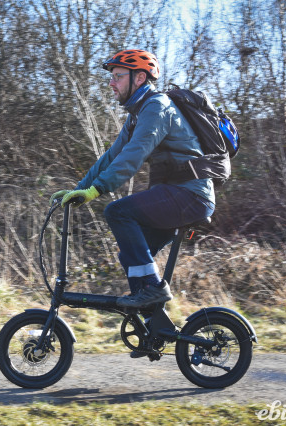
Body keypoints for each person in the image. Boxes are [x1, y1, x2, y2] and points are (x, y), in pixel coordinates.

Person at [50, 49, 215, 311]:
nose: (111, 83)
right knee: (131, 254)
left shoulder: (156, 107)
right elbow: (111, 157)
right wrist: (78, 190)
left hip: (190, 195)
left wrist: (97, 190)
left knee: (118, 212)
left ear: (139, 78)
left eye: (117, 76)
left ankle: (152, 291)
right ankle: (153, 325)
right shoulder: (138, 114)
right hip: (177, 195)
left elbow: (133, 155)